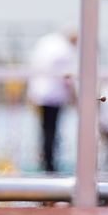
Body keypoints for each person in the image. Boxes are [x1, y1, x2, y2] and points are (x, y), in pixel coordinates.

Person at [28, 27, 77, 174]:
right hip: (53, 97)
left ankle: (46, 163)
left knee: (45, 131)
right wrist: (74, 97)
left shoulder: (47, 44)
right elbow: (67, 78)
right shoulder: (64, 50)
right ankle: (49, 166)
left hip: (39, 94)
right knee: (51, 132)